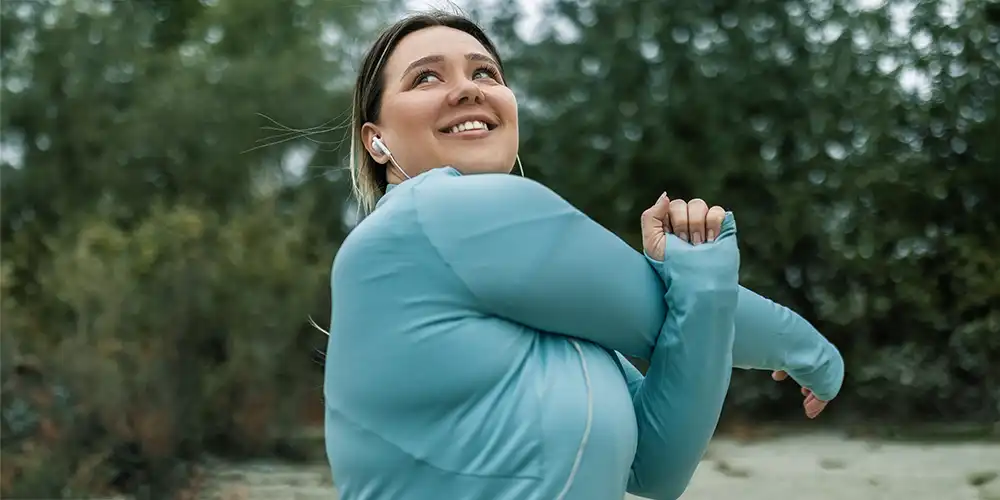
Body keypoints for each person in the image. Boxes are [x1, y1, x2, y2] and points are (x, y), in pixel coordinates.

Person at [323, 11, 844, 500]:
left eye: (485, 73)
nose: (467, 89)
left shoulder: (534, 299)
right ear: (376, 141)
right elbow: (663, 313)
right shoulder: (432, 212)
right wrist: (815, 354)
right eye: (426, 78)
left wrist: (700, 274)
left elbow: (656, 467)